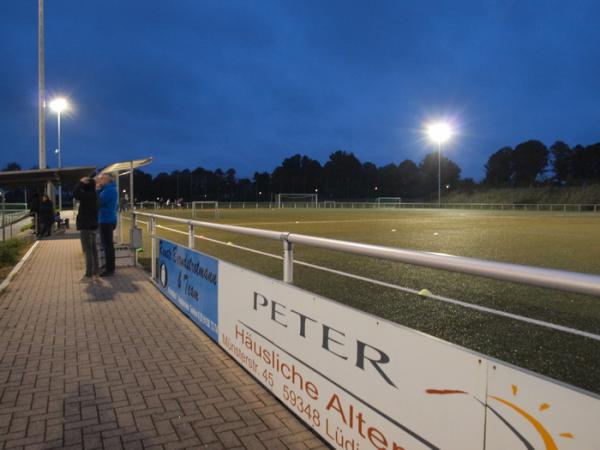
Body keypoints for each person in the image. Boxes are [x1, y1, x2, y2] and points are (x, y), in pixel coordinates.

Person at [73, 177, 99, 280]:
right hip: (93, 226)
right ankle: (95, 271)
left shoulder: (87, 195)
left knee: (87, 250)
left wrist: (80, 182)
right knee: (93, 250)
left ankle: (88, 274)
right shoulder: (95, 195)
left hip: (86, 226)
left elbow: (75, 193)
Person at [97, 173, 118, 276]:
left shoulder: (109, 190)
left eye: (101, 178)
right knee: (107, 246)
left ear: (107, 180)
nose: (100, 180)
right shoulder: (108, 189)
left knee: (108, 246)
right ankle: (109, 265)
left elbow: (98, 201)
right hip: (106, 220)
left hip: (106, 221)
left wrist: (97, 189)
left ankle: (110, 269)